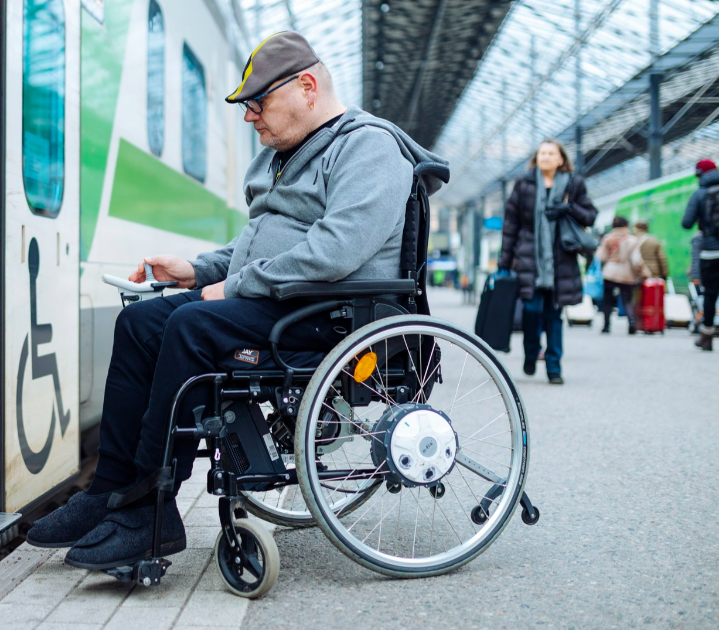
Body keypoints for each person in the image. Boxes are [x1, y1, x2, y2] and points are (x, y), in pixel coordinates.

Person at [25, 31, 448, 569]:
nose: (250, 116)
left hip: (332, 316)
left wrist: (233, 286)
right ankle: (109, 490)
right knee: (139, 323)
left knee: (191, 327)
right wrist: (198, 269)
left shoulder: (370, 147)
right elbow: (259, 245)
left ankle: (151, 513)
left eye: (258, 102)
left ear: (307, 87)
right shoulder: (288, 155)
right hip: (285, 304)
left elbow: (335, 251)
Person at [498, 139, 598, 385]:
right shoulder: (524, 184)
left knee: (554, 315)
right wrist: (504, 261)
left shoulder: (574, 184)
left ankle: (554, 367)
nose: (545, 157)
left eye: (551, 153)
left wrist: (569, 208)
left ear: (561, 159)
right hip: (527, 258)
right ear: (536, 158)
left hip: (560, 261)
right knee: (531, 311)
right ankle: (532, 352)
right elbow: (511, 224)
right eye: (542, 153)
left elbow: (591, 215)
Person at [681, 158, 719, 351]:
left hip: (710, 253)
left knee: (710, 294)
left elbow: (686, 223)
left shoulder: (699, 194)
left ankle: (707, 335)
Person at [596, 216, 645, 335]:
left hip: (609, 272)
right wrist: (643, 272)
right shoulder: (632, 240)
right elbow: (636, 260)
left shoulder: (608, 239)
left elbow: (601, 257)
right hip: (626, 274)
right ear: (626, 225)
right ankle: (631, 323)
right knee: (627, 300)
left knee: (607, 300)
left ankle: (606, 325)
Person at [631, 220, 668, 332]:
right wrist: (665, 273)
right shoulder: (654, 240)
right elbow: (662, 258)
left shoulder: (633, 240)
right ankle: (653, 323)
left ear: (636, 228)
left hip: (638, 275)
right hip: (654, 274)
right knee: (653, 300)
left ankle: (640, 324)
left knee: (638, 300)